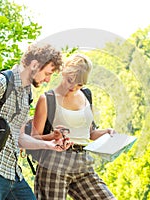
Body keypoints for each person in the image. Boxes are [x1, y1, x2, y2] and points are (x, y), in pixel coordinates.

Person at [0, 43, 69, 200]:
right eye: (47, 73)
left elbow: (19, 137)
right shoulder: (0, 82)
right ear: (34, 64)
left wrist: (49, 144)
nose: (47, 79)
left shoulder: (27, 93)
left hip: (13, 174)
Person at [32, 53, 117, 199]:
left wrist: (106, 132)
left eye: (79, 84)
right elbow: (33, 138)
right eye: (70, 81)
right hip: (54, 162)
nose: (73, 87)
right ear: (63, 71)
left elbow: (90, 133)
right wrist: (53, 136)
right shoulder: (47, 99)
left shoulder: (86, 95)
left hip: (83, 162)